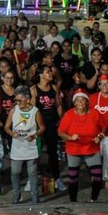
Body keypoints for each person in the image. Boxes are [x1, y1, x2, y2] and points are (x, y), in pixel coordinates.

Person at [58, 90, 104, 202]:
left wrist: (100, 136)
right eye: (78, 100)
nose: (80, 102)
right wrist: (69, 138)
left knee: (97, 176)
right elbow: (60, 132)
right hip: (74, 150)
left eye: (83, 100)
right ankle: (73, 202)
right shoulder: (68, 115)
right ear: (74, 103)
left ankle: (93, 199)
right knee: (73, 178)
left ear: (87, 102)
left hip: (91, 148)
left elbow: (104, 128)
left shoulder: (95, 113)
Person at [5, 85, 45, 204]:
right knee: (15, 172)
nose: (17, 102)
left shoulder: (35, 112)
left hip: (31, 148)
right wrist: (12, 133)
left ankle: (35, 199)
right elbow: (6, 127)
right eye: (16, 100)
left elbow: (42, 127)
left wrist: (34, 135)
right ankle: (16, 197)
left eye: (20, 100)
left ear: (28, 99)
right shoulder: (14, 110)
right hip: (17, 148)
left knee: (32, 174)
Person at [30, 64, 64, 192]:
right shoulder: (34, 90)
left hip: (52, 124)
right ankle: (32, 179)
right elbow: (32, 110)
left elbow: (59, 105)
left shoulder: (54, 87)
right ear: (40, 75)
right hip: (39, 125)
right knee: (35, 152)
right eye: (47, 72)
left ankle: (57, 178)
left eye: (51, 71)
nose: (51, 74)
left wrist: (61, 120)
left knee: (53, 152)